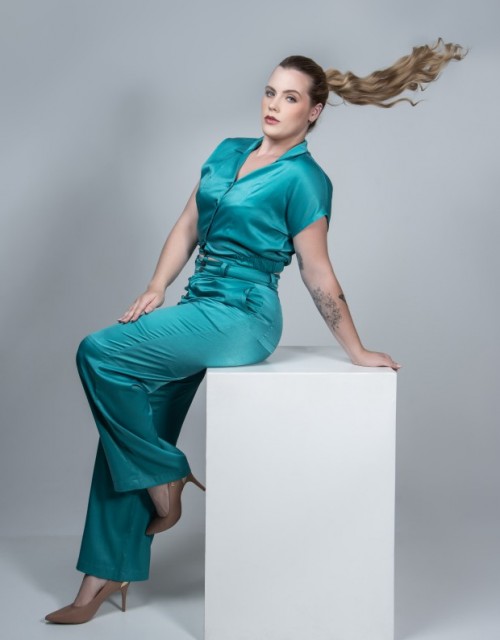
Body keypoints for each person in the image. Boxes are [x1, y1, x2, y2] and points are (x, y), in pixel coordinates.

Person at [44, 37, 466, 624]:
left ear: (313, 111)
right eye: (270, 92)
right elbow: (187, 224)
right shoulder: (227, 151)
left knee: (99, 354)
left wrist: (356, 349)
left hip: (243, 316)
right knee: (133, 427)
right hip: (197, 304)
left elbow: (317, 271)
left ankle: (166, 474)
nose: (273, 104)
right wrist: (158, 285)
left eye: (290, 97)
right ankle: (103, 573)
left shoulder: (305, 179)